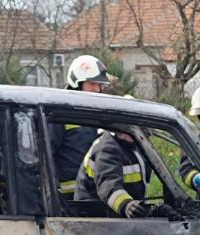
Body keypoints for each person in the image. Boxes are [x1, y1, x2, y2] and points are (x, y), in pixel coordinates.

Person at [48, 55, 110, 197]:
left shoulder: (100, 112)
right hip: (68, 198)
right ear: (77, 83)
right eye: (92, 84)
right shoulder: (60, 113)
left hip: (96, 195)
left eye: (99, 85)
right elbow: (47, 153)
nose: (97, 89)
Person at [73, 130, 151, 218]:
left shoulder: (130, 146)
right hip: (96, 220)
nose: (147, 134)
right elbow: (108, 185)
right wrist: (126, 205)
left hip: (113, 216)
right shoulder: (107, 149)